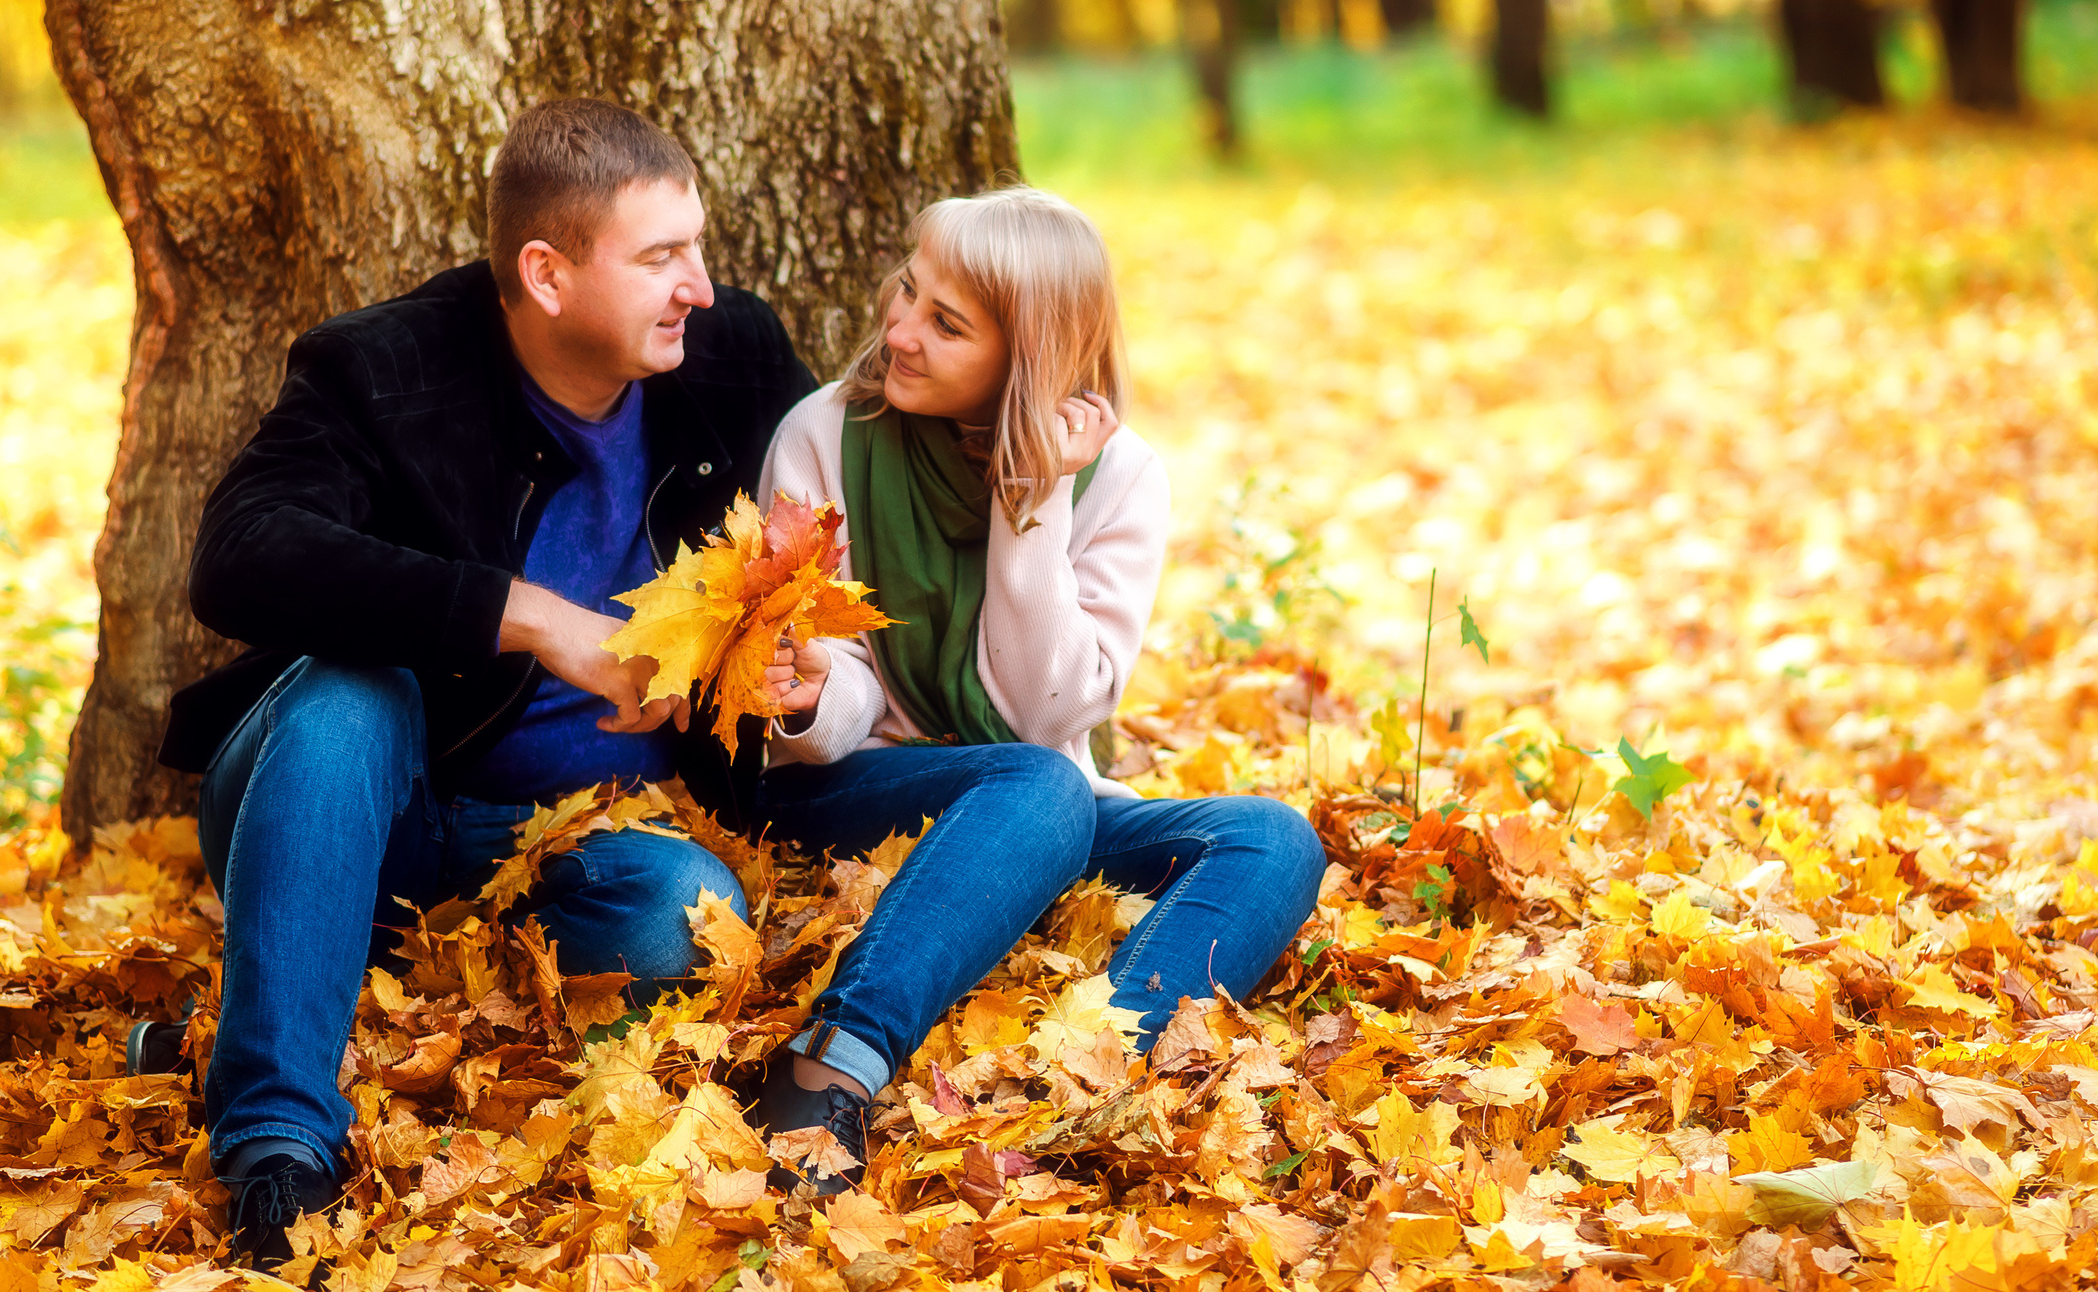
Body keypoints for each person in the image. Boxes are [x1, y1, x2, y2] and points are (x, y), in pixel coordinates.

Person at [137, 100, 814, 1267]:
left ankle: (307, 999)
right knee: (355, 689)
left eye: (696, 248)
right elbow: (238, 553)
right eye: (661, 257)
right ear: (546, 274)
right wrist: (536, 619)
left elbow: (803, 552)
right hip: (353, 796)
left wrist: (784, 665)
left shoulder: (730, 358)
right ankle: (273, 1144)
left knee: (689, 915)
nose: (698, 287)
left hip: (569, 848)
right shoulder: (387, 368)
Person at [748, 185, 1326, 1191]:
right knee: (1037, 787)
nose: (898, 328)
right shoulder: (824, 434)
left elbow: (1050, 712)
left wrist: (1033, 498)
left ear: (1027, 358)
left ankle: (1088, 1079)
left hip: (1039, 802)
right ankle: (827, 1062)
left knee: (1274, 838)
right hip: (857, 783)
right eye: (908, 292)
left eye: (944, 321)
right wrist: (801, 695)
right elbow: (834, 687)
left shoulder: (1119, 477)